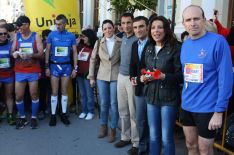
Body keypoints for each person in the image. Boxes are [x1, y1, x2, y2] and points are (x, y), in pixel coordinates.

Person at [181, 5, 233, 155]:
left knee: (205, 149)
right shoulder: (185, 45)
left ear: (204, 20)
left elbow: (226, 78)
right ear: (184, 23)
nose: (193, 23)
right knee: (190, 145)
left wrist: (219, 111)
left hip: (208, 108)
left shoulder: (218, 42)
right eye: (188, 20)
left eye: (196, 18)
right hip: (187, 105)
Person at [140, 16, 182, 155]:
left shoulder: (175, 48)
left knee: (166, 138)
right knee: (153, 136)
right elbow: (145, 68)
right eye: (153, 28)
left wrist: (164, 76)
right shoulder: (149, 47)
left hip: (169, 99)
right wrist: (144, 77)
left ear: (166, 29)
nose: (156, 31)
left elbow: (180, 76)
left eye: (159, 27)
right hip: (151, 97)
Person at [88, 19, 121, 143]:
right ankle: (103, 126)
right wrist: (91, 77)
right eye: (105, 28)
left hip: (116, 76)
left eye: (109, 28)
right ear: (102, 30)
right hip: (102, 76)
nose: (107, 30)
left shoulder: (120, 42)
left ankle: (113, 129)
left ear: (114, 28)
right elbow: (93, 60)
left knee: (114, 104)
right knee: (104, 103)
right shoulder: (99, 42)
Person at [11, 15, 44, 129]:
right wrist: (14, 53)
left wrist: (30, 55)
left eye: (21, 27)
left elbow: (41, 54)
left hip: (32, 70)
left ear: (27, 25)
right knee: (18, 96)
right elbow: (12, 50)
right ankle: (22, 117)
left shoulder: (36, 36)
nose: (19, 30)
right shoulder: (17, 36)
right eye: (18, 28)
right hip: (20, 70)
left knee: (34, 94)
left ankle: (34, 117)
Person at [45, 14, 77, 126]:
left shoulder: (71, 36)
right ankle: (53, 115)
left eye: (59, 24)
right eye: (56, 24)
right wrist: (46, 67)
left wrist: (75, 68)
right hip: (54, 66)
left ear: (64, 24)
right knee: (54, 91)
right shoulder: (51, 35)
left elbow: (75, 53)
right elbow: (47, 52)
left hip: (66, 66)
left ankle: (63, 114)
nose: (57, 26)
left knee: (64, 91)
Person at [114, 12, 139, 155]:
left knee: (133, 111)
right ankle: (125, 136)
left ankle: (136, 142)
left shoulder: (138, 39)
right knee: (122, 109)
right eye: (123, 23)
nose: (126, 26)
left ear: (133, 23)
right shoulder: (122, 37)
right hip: (121, 77)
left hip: (132, 78)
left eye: (128, 23)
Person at [129, 16, 150, 155]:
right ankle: (142, 147)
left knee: (153, 121)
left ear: (147, 27)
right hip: (140, 88)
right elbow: (133, 65)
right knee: (140, 119)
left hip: (153, 88)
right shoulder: (135, 44)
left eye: (141, 26)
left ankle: (153, 147)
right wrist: (133, 78)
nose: (138, 30)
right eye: (135, 27)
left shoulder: (154, 43)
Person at [77, 29, 97, 120]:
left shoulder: (94, 47)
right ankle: (84, 110)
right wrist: (76, 44)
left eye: (84, 36)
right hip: (80, 73)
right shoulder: (80, 46)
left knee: (89, 94)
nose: (83, 38)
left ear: (89, 37)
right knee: (82, 94)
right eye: (82, 36)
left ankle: (90, 111)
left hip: (88, 74)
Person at [0, 24, 15, 125]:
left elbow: (14, 55)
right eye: (1, 33)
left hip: (9, 74)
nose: (3, 35)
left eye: (5, 33)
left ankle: (10, 115)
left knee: (9, 96)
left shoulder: (11, 44)